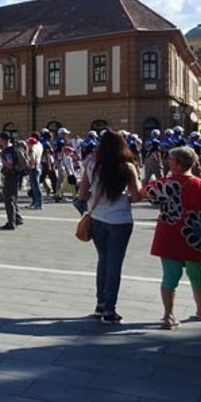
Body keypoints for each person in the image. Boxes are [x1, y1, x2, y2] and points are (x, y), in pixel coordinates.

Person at [78, 131, 143, 324]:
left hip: (97, 218)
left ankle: (100, 305)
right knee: (115, 265)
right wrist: (125, 198)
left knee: (103, 260)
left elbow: (82, 194)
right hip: (121, 219)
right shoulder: (128, 167)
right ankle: (110, 310)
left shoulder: (91, 165)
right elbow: (137, 196)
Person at [144, 146, 201, 329]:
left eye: (171, 159)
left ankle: (168, 315)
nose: (167, 161)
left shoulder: (164, 184)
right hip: (195, 237)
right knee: (198, 276)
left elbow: (145, 193)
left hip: (170, 235)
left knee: (170, 277)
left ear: (178, 164)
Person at [0, 132, 25, 230]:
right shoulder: (13, 149)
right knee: (13, 197)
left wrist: (1, 159)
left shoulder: (7, 151)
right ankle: (17, 218)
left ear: (4, 140)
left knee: (9, 199)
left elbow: (10, 165)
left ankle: (11, 222)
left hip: (10, 176)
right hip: (15, 175)